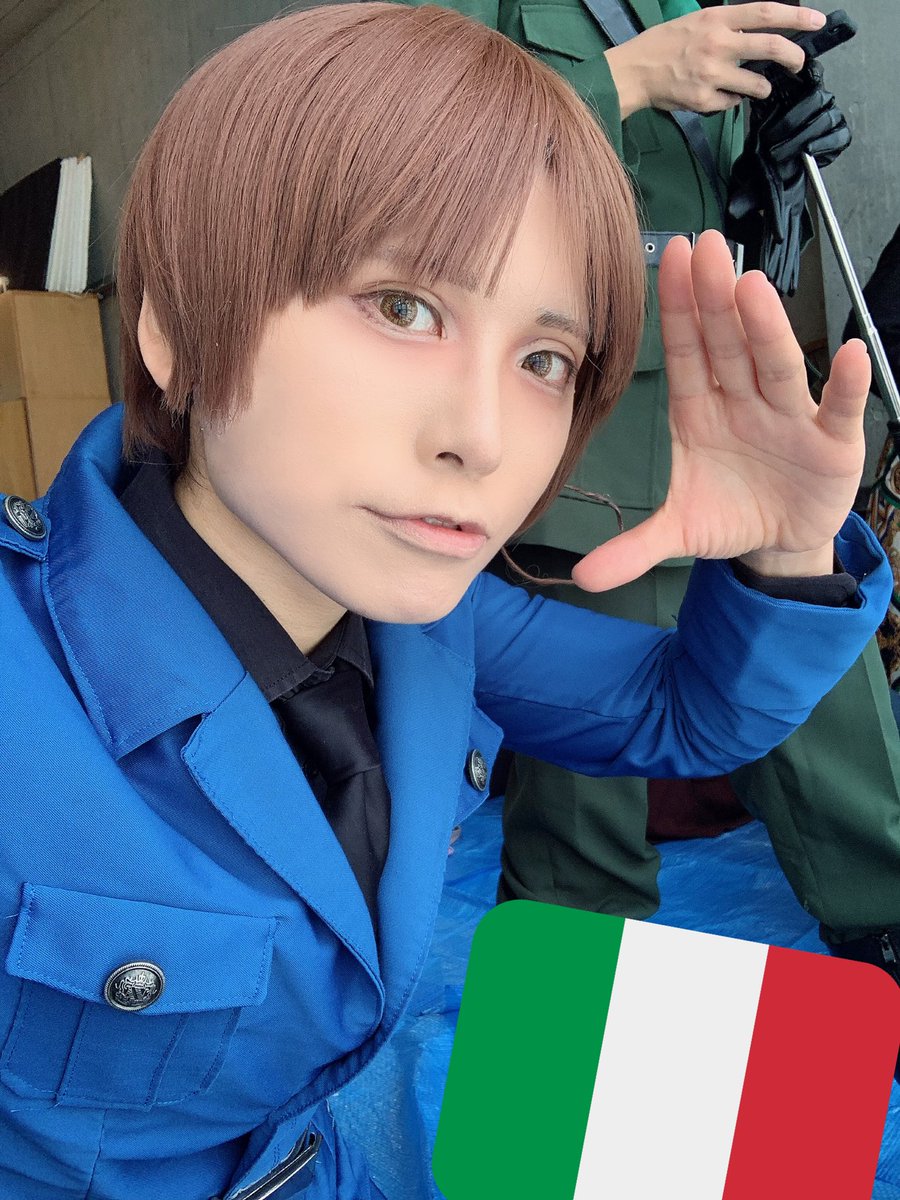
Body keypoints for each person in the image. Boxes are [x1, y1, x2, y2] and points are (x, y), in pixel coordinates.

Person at [0, 4, 888, 1197]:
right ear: (178, 333)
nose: (484, 438)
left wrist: (787, 548)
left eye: (544, 360)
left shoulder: (433, 624)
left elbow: (682, 714)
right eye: (402, 308)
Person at [397, 0, 900, 978]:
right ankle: (562, 1037)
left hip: (742, 427)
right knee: (580, 842)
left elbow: (708, 203)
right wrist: (623, 78)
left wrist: (772, 161)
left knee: (848, 750)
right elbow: (409, 155)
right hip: (585, 435)